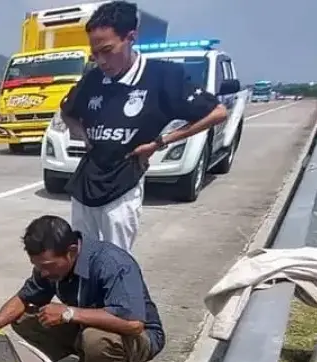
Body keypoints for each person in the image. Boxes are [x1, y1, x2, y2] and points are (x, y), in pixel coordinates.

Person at [60, 1, 228, 250]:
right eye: (95, 54)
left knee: (116, 260)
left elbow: (217, 112)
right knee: (82, 259)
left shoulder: (163, 77)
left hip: (123, 185)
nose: (101, 61)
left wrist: (161, 142)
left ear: (130, 37)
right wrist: (83, 135)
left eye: (107, 50)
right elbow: (68, 113)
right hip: (86, 183)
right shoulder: (93, 79)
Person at [0, 215, 164, 362]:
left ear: (71, 251)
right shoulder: (51, 268)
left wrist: (69, 313)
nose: (43, 272)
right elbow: (23, 298)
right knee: (24, 317)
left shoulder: (112, 263)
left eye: (48, 266)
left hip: (141, 338)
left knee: (95, 337)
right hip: (87, 326)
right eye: (38, 266)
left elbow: (134, 324)